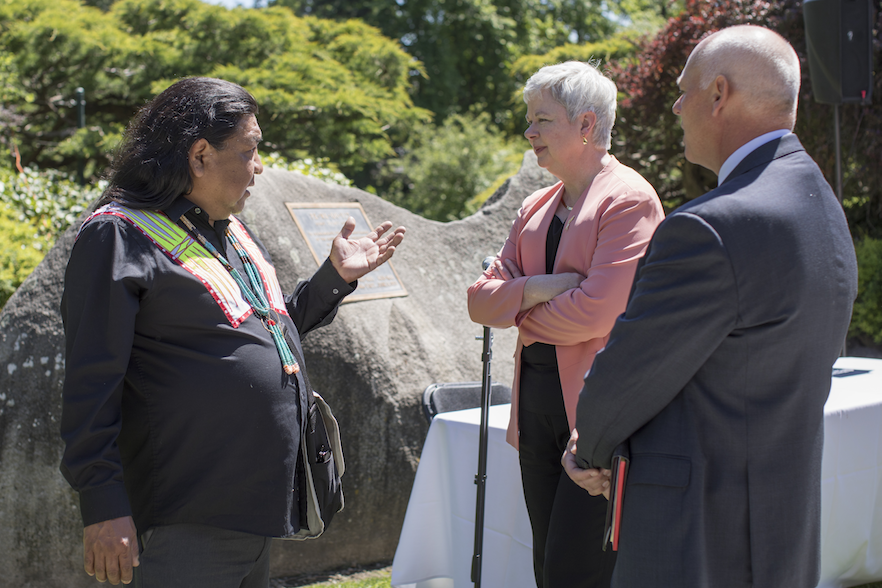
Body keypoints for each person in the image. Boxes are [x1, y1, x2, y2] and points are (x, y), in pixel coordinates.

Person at [59, 77, 405, 587]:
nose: (260, 165)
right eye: (250, 150)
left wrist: (336, 279)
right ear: (200, 155)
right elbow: (91, 386)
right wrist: (103, 504)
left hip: (252, 513)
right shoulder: (118, 234)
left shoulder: (229, 231)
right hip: (186, 518)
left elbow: (270, 333)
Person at [563, 25, 858, 588]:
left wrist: (589, 448)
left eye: (684, 90)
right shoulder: (821, 205)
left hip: (695, 532)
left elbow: (629, 371)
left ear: (719, 94)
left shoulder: (709, 227)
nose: (675, 106)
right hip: (782, 521)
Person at [467, 61, 663, 588]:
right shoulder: (534, 205)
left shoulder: (629, 200)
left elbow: (596, 313)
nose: (529, 132)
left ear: (586, 124)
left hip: (595, 415)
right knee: (547, 568)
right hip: (536, 411)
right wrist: (536, 289)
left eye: (542, 120)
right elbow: (477, 303)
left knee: (579, 572)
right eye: (529, 120)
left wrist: (518, 312)